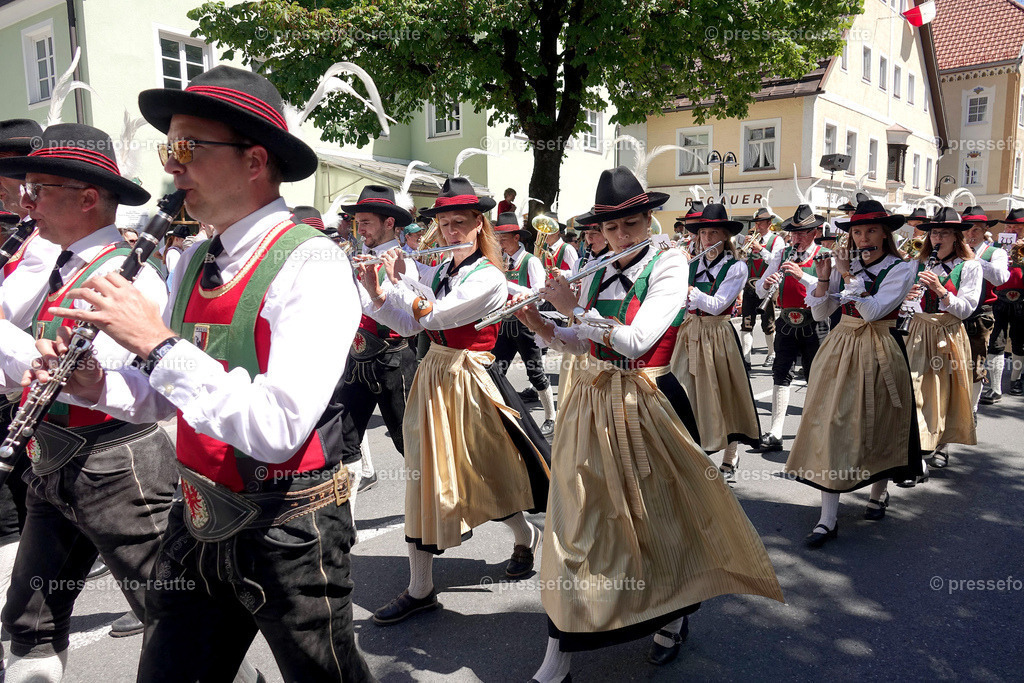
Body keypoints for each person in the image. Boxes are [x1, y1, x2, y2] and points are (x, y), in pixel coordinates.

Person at [33, 66, 372, 680]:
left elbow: (277, 428)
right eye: (170, 149)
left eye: (186, 148)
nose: (172, 167)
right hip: (194, 516)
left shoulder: (314, 263)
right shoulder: (191, 256)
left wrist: (159, 346)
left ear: (254, 160)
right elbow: (164, 400)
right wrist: (97, 386)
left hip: (287, 529)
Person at [510, 167, 782, 681]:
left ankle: (672, 616)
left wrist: (576, 307)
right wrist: (542, 324)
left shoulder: (671, 263)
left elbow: (635, 341)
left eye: (630, 224)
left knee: (660, 518)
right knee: (577, 520)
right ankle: (560, 650)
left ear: (648, 219)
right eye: (610, 228)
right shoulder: (596, 264)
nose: (619, 237)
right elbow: (579, 344)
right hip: (593, 402)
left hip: (649, 396)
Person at [0, 123, 177, 681]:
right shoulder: (55, 260)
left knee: (175, 618)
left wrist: (23, 354)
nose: (26, 204)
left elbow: (115, 386)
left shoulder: (132, 277)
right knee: (31, 618)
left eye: (38, 189)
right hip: (53, 461)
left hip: (115, 467)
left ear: (87, 198)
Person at [363, 177, 551, 625]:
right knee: (426, 479)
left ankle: (525, 536)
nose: (450, 232)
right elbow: (411, 326)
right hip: (434, 374)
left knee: (491, 474)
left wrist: (397, 282)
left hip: (471, 379)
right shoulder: (441, 269)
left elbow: (440, 314)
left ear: (478, 224)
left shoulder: (488, 274)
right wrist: (376, 290)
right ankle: (420, 587)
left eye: (460, 223)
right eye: (444, 224)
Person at [786, 201, 920, 547]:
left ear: (885, 233)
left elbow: (874, 311)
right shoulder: (849, 264)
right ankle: (827, 519)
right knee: (832, 423)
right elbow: (821, 313)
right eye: (857, 232)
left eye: (870, 230)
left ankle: (879, 493)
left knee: (879, 421)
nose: (862, 238)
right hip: (841, 346)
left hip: (880, 347)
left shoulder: (902, 269)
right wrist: (823, 279)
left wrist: (847, 275)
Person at [671, 203, 760, 482]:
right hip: (689, 332)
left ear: (725, 236)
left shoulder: (736, 267)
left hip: (717, 334)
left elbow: (718, 304)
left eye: (714, 233)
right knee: (682, 391)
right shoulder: (690, 264)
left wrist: (690, 293)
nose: (708, 238)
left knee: (722, 396)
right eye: (704, 233)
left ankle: (730, 455)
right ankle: (692, 452)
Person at [342, 184, 418, 492]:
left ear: (389, 223)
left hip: (393, 360)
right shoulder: (356, 257)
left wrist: (376, 287)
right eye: (357, 223)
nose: (360, 230)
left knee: (409, 445)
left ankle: (435, 516)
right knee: (343, 444)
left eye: (366, 223)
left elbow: (414, 318)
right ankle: (345, 531)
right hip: (356, 360)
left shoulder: (404, 263)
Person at [901, 207, 981, 475]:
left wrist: (940, 289)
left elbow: (966, 309)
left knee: (946, 391)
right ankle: (918, 449)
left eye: (944, 233)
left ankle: (943, 444)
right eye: (934, 233)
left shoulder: (969, 267)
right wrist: (908, 298)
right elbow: (904, 303)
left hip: (949, 332)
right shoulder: (917, 264)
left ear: (956, 237)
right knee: (914, 388)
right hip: (919, 330)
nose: (937, 238)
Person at [752, 205, 827, 452]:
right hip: (786, 321)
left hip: (815, 322)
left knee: (815, 376)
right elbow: (761, 288)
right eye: (794, 233)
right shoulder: (782, 254)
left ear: (815, 232)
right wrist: (767, 284)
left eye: (802, 233)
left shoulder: (825, 256)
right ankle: (775, 431)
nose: (797, 239)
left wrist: (800, 275)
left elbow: (828, 290)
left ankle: (814, 431)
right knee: (780, 373)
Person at [491, 211, 556, 435]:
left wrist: (509, 288)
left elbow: (540, 295)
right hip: (504, 323)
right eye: (497, 238)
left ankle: (551, 416)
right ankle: (500, 415)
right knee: (495, 370)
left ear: (517, 237)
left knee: (534, 372)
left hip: (527, 323)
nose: (499, 243)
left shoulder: (531, 261)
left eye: (504, 238)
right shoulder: (500, 262)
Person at [959, 207, 1008, 413]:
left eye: (976, 230)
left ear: (985, 229)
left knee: (974, 366)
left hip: (980, 315)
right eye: (967, 229)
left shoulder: (996, 252)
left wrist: (974, 259)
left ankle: (971, 410)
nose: (970, 234)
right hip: (952, 314)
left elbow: (1000, 278)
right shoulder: (951, 249)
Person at [982, 208, 1024, 402]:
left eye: (1017, 227)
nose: (1012, 229)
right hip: (999, 296)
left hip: (1022, 298)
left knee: (1019, 342)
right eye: (1009, 226)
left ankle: (1016, 380)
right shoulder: (997, 246)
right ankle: (995, 387)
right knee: (996, 342)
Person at [740, 206, 784, 368]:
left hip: (768, 285)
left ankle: (771, 354)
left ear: (769, 223)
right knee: (746, 322)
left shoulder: (776, 240)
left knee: (768, 322)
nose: (757, 226)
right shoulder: (751, 239)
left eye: (761, 222)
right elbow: (742, 262)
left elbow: (775, 261)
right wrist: (743, 253)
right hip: (749, 285)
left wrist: (761, 249)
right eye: (756, 222)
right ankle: (746, 359)